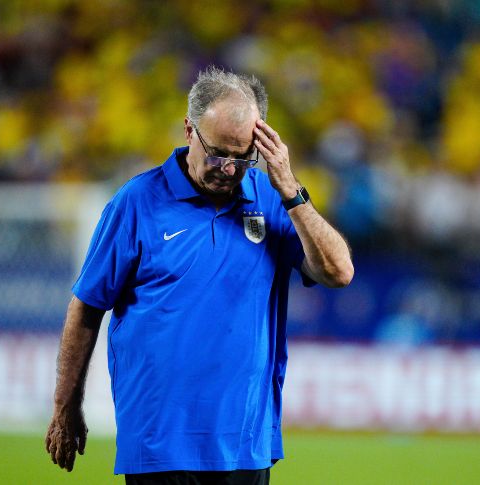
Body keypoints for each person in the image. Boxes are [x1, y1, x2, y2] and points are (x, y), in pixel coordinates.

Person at [44, 66, 354, 484]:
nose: (228, 168)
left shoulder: (270, 198)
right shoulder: (137, 202)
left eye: (243, 156)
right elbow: (86, 308)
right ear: (189, 129)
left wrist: (290, 190)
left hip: (246, 444)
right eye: (218, 153)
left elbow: (339, 272)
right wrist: (66, 407)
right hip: (159, 443)